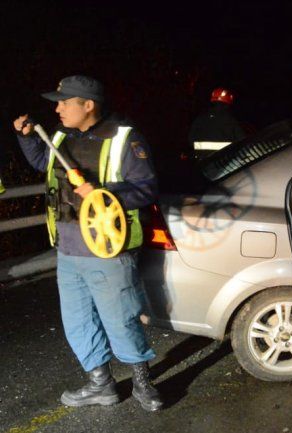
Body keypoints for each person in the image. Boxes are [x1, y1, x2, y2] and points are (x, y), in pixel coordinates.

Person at [12, 75, 163, 412]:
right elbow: (42, 162)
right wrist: (27, 139)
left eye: (65, 102)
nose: (58, 108)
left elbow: (146, 187)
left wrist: (102, 192)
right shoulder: (60, 136)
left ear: (88, 105)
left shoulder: (125, 138)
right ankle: (101, 384)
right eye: (57, 102)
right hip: (67, 249)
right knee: (78, 321)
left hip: (107, 250)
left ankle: (142, 382)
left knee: (120, 319)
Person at [188, 87, 246, 158]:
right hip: (223, 162)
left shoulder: (201, 118)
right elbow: (242, 141)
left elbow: (191, 139)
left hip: (202, 162)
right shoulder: (231, 120)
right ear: (228, 103)